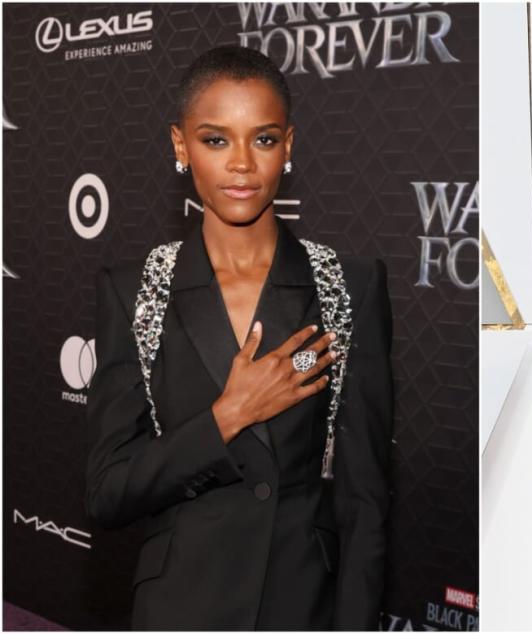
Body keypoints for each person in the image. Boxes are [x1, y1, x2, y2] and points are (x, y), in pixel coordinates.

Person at [84, 45, 393, 630]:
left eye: (265, 139)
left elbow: (366, 500)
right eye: (216, 139)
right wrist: (226, 417)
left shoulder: (347, 285)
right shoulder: (135, 290)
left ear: (290, 146)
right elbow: (107, 491)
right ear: (181, 146)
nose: (243, 165)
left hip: (301, 604)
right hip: (181, 605)